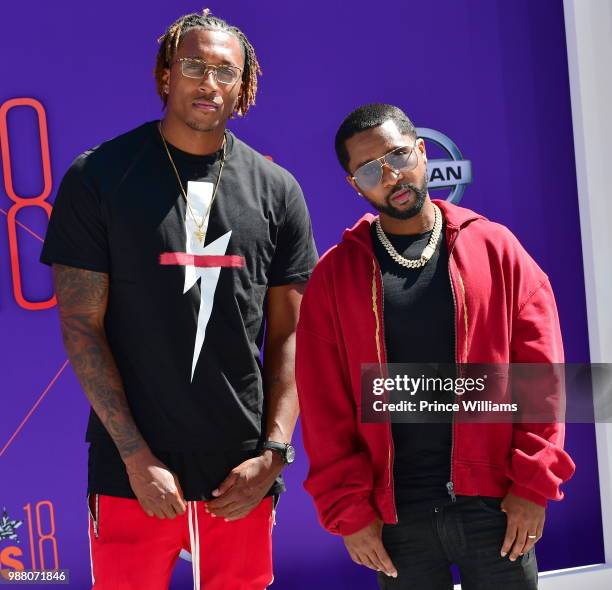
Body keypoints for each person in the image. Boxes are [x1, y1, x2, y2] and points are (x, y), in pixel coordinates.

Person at [41, 9, 317, 590]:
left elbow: (292, 335)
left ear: (245, 87)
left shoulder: (277, 190)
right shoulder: (99, 176)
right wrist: (135, 456)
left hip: (240, 470)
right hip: (132, 470)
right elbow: (81, 327)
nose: (209, 82)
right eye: (194, 65)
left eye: (226, 71)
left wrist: (273, 455)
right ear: (166, 73)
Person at [295, 103, 575, 589]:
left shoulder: (495, 247)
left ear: (423, 154)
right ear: (354, 185)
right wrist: (350, 510)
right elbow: (324, 405)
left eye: (399, 156)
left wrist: (532, 487)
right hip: (396, 520)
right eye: (369, 169)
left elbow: (541, 376)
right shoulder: (335, 276)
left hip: (495, 507)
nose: (391, 175)